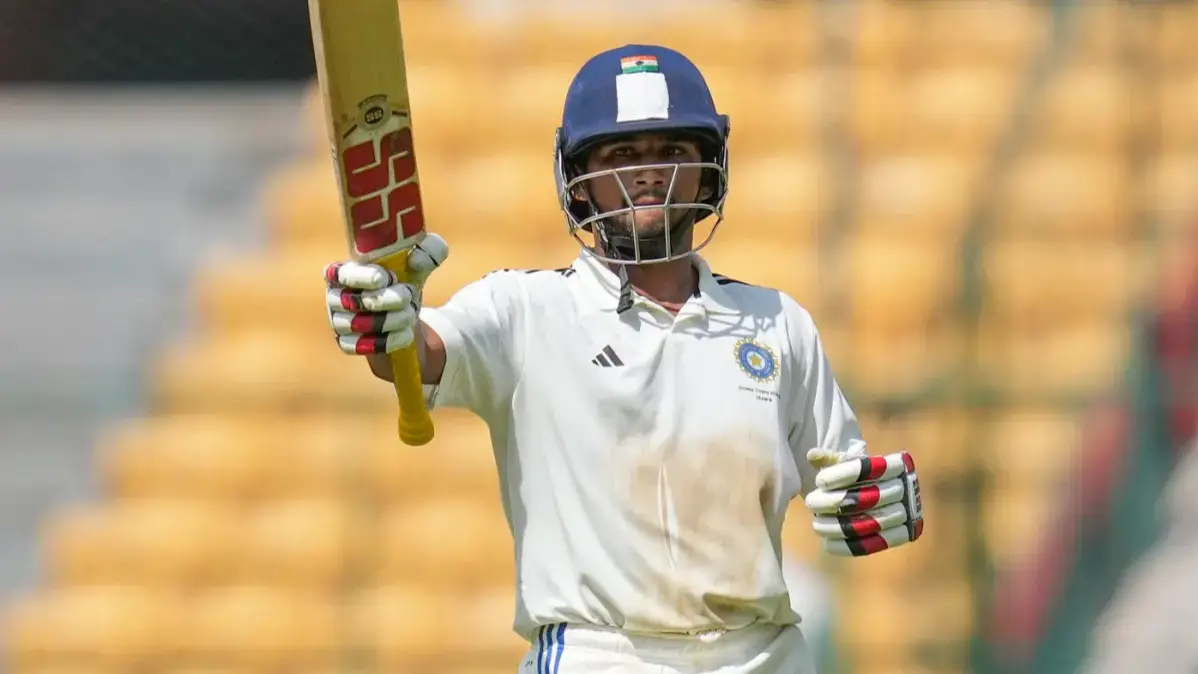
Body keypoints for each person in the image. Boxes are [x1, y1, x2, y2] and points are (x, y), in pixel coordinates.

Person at [323, 44, 923, 674]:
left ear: (708, 172)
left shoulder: (776, 322)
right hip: (601, 653)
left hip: (765, 653)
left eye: (672, 151)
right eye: (621, 155)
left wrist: (877, 500)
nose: (648, 172)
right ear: (578, 179)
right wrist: (386, 319)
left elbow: (846, 480)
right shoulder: (527, 310)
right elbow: (418, 354)